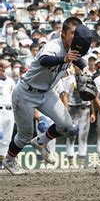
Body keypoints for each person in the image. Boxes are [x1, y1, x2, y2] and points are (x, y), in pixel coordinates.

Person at [3, 17, 88, 175]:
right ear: (63, 33)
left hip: (46, 93)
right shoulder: (53, 46)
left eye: (78, 34)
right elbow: (43, 60)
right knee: (24, 135)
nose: (76, 37)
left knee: (67, 126)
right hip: (25, 93)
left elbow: (78, 61)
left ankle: (41, 141)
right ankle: (9, 160)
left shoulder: (73, 49)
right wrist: (64, 59)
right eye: (72, 33)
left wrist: (83, 67)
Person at [59, 68, 95, 169]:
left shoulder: (88, 78)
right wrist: (65, 112)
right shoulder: (68, 79)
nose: (79, 67)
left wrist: (93, 112)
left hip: (85, 110)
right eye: (77, 65)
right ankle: (71, 164)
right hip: (72, 109)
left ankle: (81, 164)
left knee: (83, 137)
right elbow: (65, 96)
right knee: (71, 136)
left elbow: (91, 96)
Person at [0, 59, 16, 170]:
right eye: (1, 67)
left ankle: (2, 162)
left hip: (10, 111)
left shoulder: (11, 81)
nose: (2, 69)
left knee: (6, 139)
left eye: (4, 67)